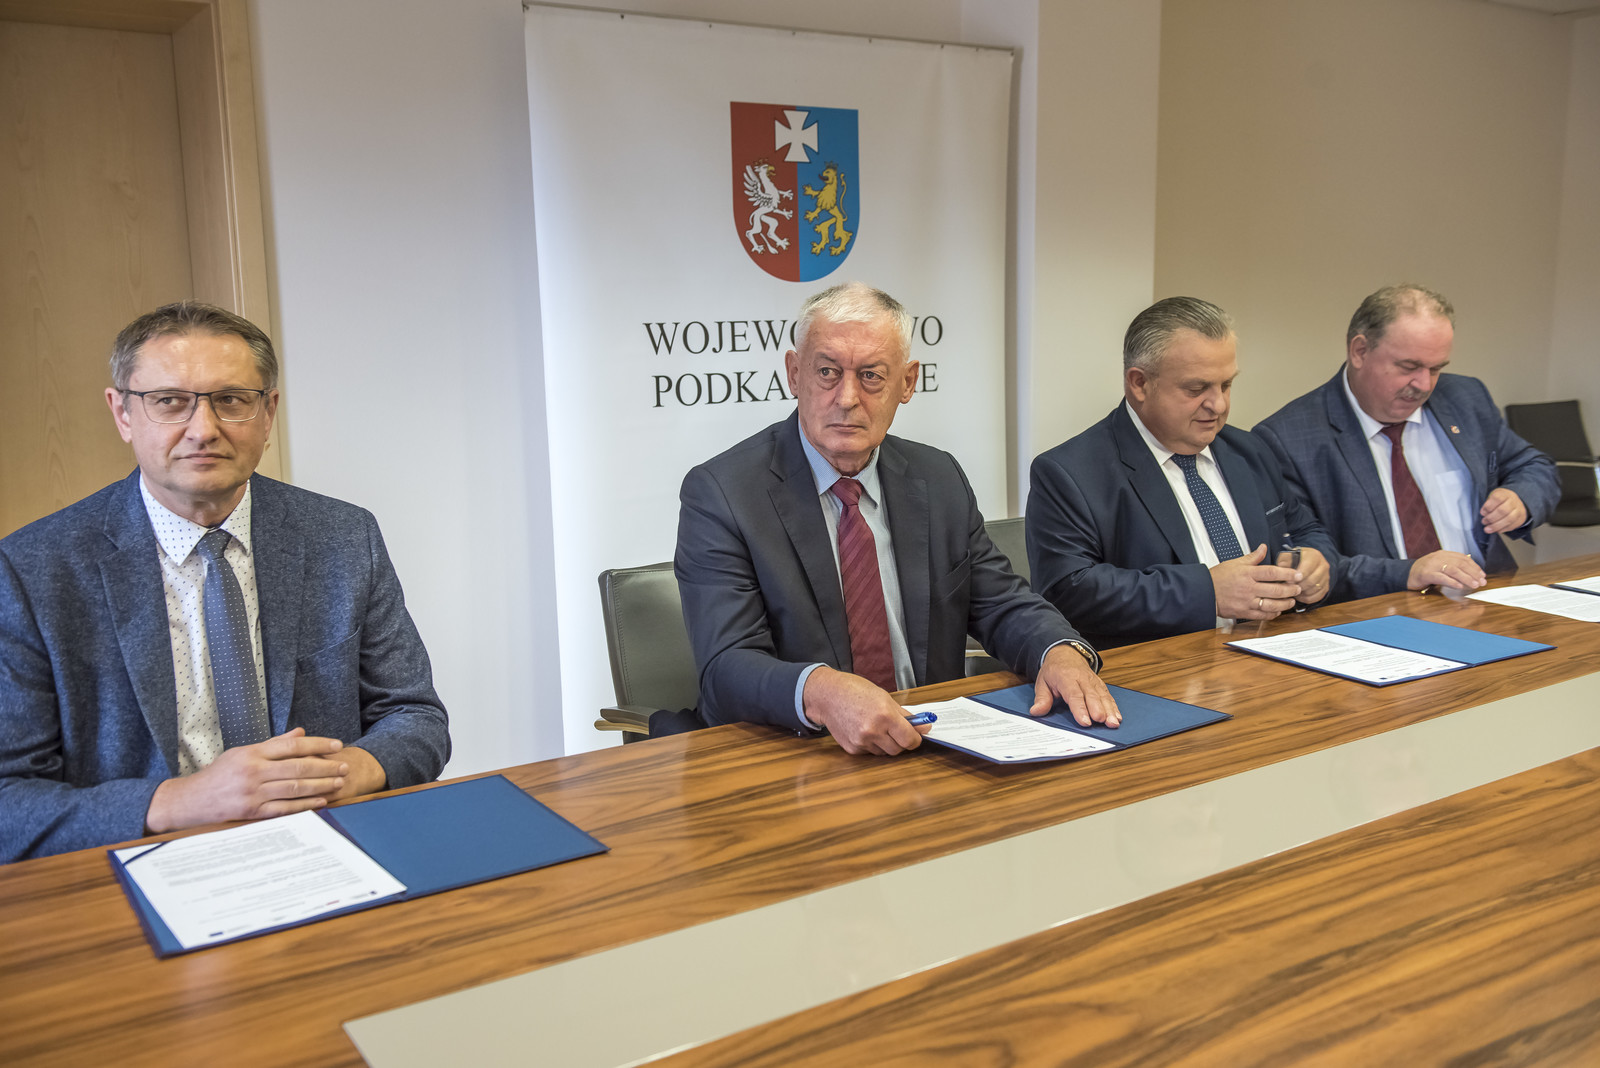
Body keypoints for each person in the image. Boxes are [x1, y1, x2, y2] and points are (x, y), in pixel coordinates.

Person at [0, 301, 449, 862]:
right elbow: (9, 800)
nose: (203, 429)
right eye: (170, 402)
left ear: (268, 413)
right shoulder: (31, 569)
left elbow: (416, 717)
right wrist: (183, 801)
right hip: (141, 864)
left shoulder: (343, 536)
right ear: (123, 413)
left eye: (232, 400)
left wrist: (342, 773)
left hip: (324, 846)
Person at [675, 282, 1117, 756]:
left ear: (907, 383)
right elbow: (726, 666)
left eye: (871, 376)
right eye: (827, 372)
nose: (847, 397)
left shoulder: (937, 477)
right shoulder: (723, 493)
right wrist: (821, 691)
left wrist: (1058, 650)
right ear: (794, 373)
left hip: (930, 742)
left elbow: (1001, 602)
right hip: (800, 751)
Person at [1027, 297, 1339, 649]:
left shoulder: (1249, 450)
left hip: (1271, 650)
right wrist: (1207, 593)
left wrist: (1315, 561)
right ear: (1139, 383)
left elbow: (1305, 530)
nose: (1218, 404)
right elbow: (1069, 592)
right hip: (1160, 666)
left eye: (1226, 385)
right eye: (1196, 389)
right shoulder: (1069, 472)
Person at [1253, 285, 1559, 600]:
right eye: (1409, 367)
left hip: (1489, 598)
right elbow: (1309, 566)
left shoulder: (1465, 398)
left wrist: (1520, 498)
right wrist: (1407, 572)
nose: (1424, 384)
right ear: (1359, 351)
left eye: (1436, 368)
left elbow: (1535, 466)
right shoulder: (1288, 439)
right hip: (1377, 612)